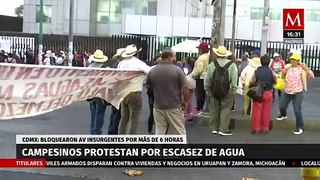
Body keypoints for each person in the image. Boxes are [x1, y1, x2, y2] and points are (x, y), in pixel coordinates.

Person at [146, 49, 189, 135]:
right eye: (174, 56)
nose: (175, 58)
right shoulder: (177, 70)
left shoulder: (152, 71)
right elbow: (185, 87)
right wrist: (185, 101)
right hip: (174, 105)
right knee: (179, 130)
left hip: (158, 106)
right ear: (169, 57)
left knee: (160, 131)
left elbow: (149, 86)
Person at [117, 44, 151, 134]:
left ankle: (120, 137)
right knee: (134, 118)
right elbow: (150, 71)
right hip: (134, 92)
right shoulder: (138, 62)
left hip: (123, 92)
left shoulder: (121, 63)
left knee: (124, 117)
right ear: (137, 53)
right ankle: (131, 139)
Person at [204, 46, 238, 136]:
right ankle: (223, 129)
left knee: (214, 108)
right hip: (228, 91)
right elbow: (234, 79)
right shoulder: (232, 65)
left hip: (214, 90)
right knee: (225, 109)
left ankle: (214, 128)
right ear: (226, 55)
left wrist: (207, 88)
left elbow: (207, 78)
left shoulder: (212, 64)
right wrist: (233, 89)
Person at [277, 53, 312, 135]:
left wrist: (307, 69)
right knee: (282, 106)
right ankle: (283, 114)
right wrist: (283, 73)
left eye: (295, 60)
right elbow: (282, 77)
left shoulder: (301, 69)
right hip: (287, 91)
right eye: (292, 59)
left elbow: (312, 76)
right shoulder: (287, 67)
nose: (293, 61)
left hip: (298, 92)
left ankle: (300, 127)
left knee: (297, 110)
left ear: (298, 61)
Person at [249, 54, 275, 134]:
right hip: (268, 92)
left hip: (258, 92)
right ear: (268, 62)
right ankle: (265, 128)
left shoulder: (257, 71)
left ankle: (256, 128)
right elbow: (275, 80)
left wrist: (250, 86)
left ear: (261, 62)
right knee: (266, 111)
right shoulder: (271, 71)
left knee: (257, 111)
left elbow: (252, 80)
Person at [87, 49, 109, 134]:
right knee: (100, 113)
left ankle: (92, 131)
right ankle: (97, 132)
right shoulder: (105, 69)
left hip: (91, 93)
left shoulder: (90, 67)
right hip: (101, 93)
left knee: (93, 113)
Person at [107, 48, 125, 135]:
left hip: (114, 91)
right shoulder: (120, 65)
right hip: (119, 91)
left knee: (114, 113)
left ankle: (111, 132)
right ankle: (114, 133)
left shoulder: (114, 64)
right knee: (118, 114)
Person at [240, 49, 261, 116]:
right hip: (258, 87)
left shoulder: (248, 67)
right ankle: (254, 115)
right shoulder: (261, 67)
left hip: (248, 85)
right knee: (256, 102)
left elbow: (242, 75)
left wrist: (243, 82)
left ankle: (246, 114)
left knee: (246, 102)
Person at [191, 42, 210, 115]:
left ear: (201, 49)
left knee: (199, 94)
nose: (198, 50)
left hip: (200, 77)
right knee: (204, 94)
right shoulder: (208, 56)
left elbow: (199, 69)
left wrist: (192, 75)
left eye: (199, 49)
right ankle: (200, 108)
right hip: (206, 77)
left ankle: (199, 108)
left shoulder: (201, 58)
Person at [147, 54, 161, 134]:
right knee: (152, 113)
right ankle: (150, 130)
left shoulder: (163, 69)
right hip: (153, 94)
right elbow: (148, 83)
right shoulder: (151, 70)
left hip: (159, 94)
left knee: (158, 114)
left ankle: (157, 131)